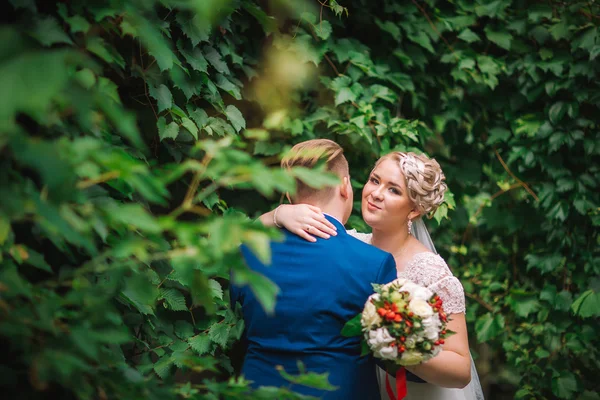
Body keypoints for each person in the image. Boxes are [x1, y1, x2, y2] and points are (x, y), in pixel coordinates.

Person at [262, 151, 485, 400]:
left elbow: (461, 370)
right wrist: (280, 214)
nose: (376, 194)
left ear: (414, 210)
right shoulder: (350, 245)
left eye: (394, 190)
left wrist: (397, 345)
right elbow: (244, 239)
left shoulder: (431, 272)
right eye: (375, 180)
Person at [230, 139, 398, 399]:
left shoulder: (247, 254)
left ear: (288, 195)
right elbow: (388, 351)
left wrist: (272, 217)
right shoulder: (374, 263)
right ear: (345, 187)